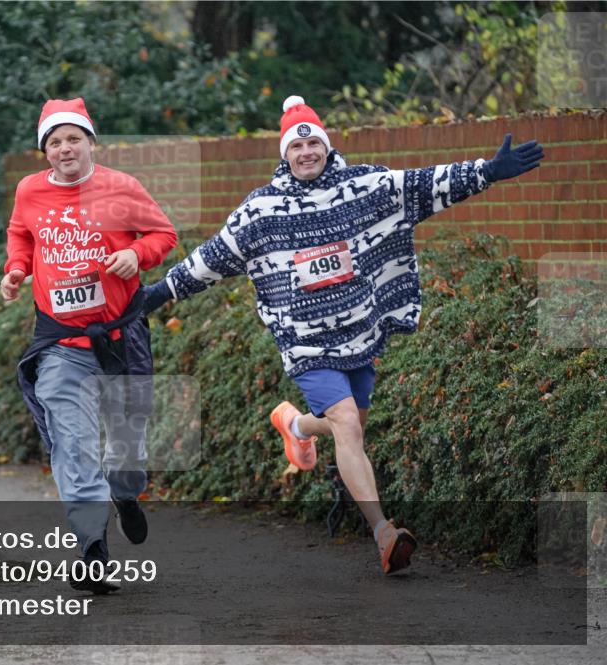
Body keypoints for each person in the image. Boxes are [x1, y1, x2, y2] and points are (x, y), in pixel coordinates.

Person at [143, 95, 543, 574]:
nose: (306, 151)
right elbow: (211, 257)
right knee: (348, 424)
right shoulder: (262, 211)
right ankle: (384, 533)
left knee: (347, 425)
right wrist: (161, 291)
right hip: (305, 342)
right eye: (297, 146)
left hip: (360, 333)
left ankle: (295, 426)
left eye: (313, 142)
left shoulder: (365, 186)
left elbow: (425, 183)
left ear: (327, 147)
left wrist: (488, 172)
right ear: (284, 155)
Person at [1, 98, 178, 593]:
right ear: (45, 152)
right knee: (73, 441)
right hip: (60, 340)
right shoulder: (30, 191)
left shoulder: (122, 187)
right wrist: (17, 269)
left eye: (73, 138)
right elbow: (22, 236)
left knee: (127, 448)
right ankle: (92, 548)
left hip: (120, 334)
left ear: (90, 141)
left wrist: (134, 253)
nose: (64, 149)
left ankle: (126, 496)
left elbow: (164, 234)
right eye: (54, 142)